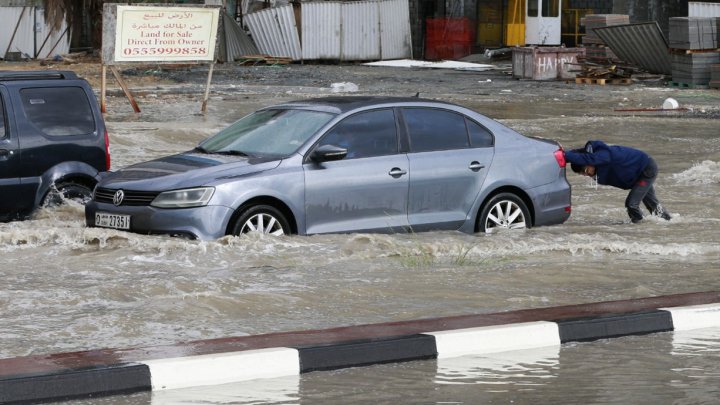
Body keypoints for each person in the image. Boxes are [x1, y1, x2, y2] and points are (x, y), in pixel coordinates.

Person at [564, 140, 672, 223]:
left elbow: (590, 158)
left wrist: (565, 155)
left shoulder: (604, 155)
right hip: (637, 174)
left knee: (631, 204)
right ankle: (669, 223)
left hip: (646, 170)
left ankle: (639, 227)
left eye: (586, 170)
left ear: (591, 162)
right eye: (583, 174)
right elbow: (580, 154)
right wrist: (564, 156)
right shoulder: (598, 163)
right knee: (653, 205)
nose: (586, 174)